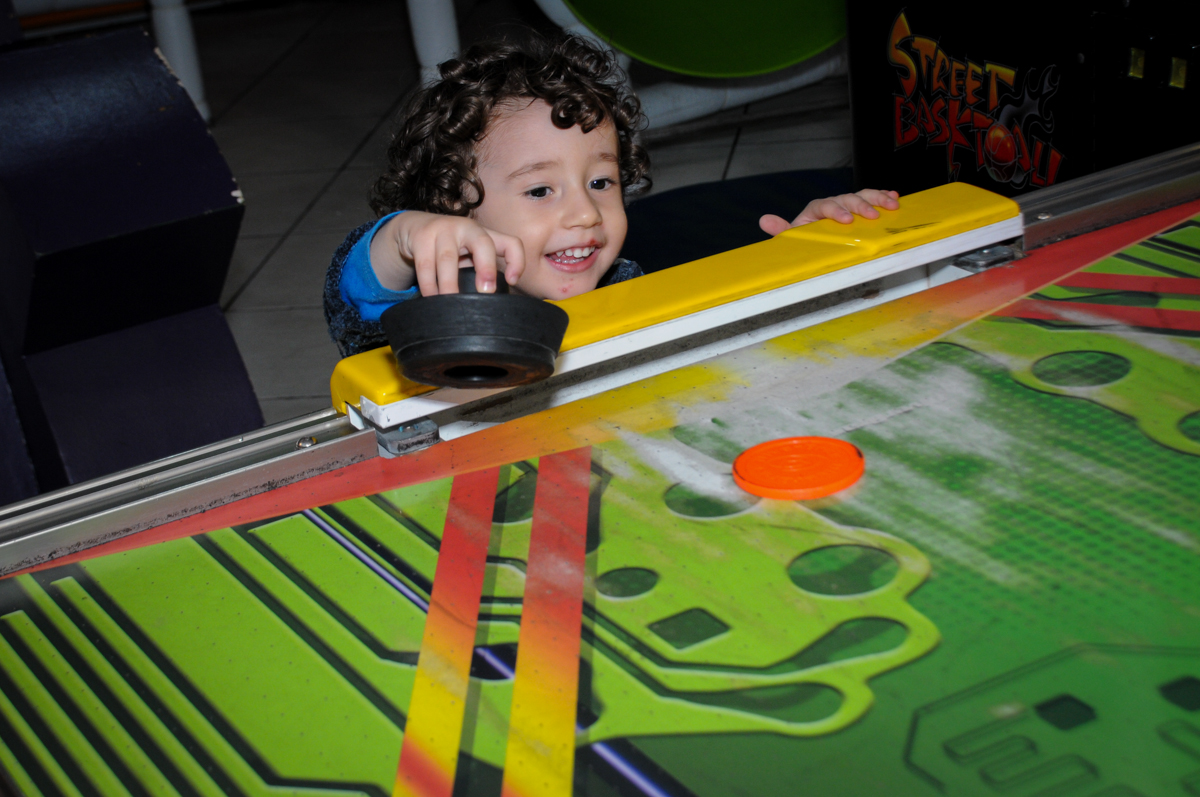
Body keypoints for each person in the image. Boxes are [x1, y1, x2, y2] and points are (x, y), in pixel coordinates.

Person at [324, 32, 899, 357]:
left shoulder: (625, 285)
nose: (584, 213)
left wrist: (804, 264)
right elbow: (352, 293)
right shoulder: (429, 305)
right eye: (541, 189)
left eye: (601, 182)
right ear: (453, 207)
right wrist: (406, 237)